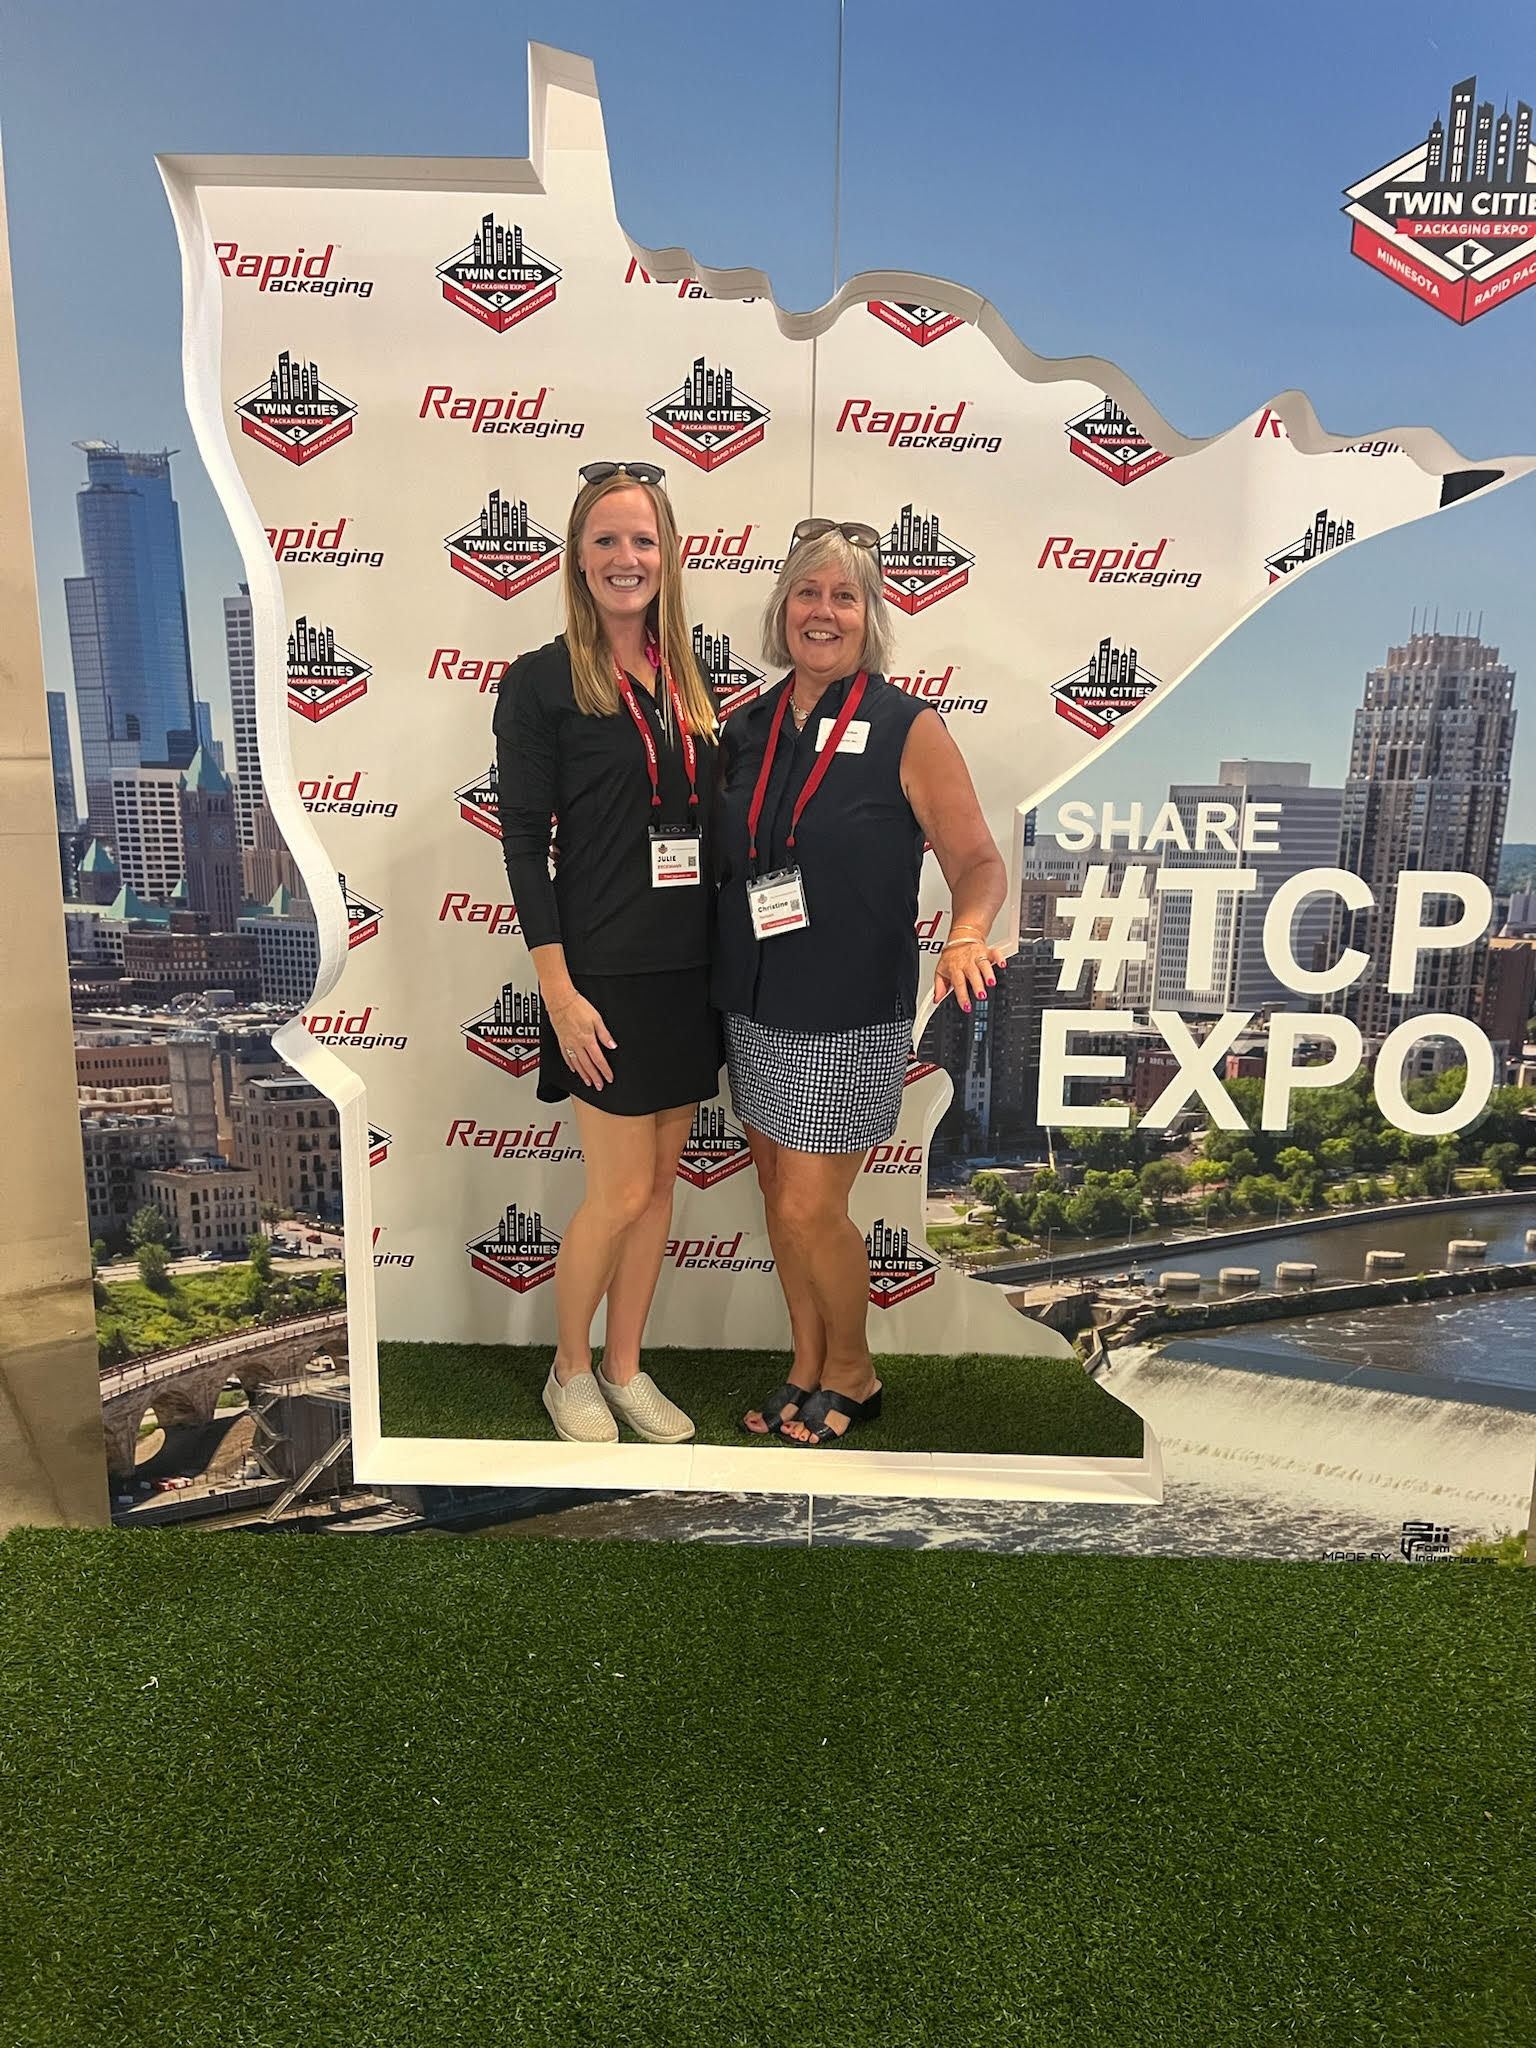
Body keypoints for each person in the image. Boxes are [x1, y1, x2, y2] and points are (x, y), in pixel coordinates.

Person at [713, 517, 1007, 1447]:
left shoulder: (906, 726)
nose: (824, 611)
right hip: (753, 1000)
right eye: (808, 592)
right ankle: (807, 1362)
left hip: (847, 1010)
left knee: (811, 1207)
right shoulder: (746, 727)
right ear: (783, 609)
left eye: (844, 595)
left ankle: (855, 1369)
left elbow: (979, 863)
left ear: (870, 615)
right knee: (776, 1200)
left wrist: (966, 935)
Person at [494, 462, 720, 1446]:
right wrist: (558, 988)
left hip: (690, 970)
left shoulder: (692, 672)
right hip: (601, 977)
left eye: (643, 540)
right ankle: (569, 1369)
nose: (626, 558)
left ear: (669, 555)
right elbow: (522, 843)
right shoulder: (541, 681)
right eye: (606, 540)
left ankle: (626, 1366)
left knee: (661, 1187)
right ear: (576, 557)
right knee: (618, 1189)